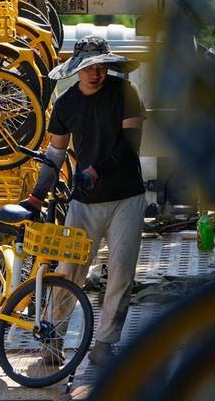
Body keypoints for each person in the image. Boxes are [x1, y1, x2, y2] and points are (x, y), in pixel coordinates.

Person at [20, 34, 147, 366]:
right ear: (76, 70)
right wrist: (36, 195)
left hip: (126, 197)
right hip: (84, 202)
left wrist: (95, 170)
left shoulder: (125, 93)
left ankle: (104, 344)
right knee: (69, 271)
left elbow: (131, 143)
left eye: (101, 67)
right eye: (89, 68)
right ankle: (53, 337)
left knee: (121, 273)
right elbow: (56, 152)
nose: (96, 74)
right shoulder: (66, 104)